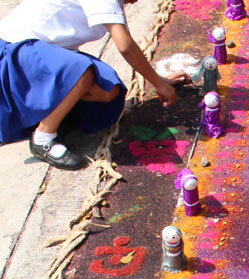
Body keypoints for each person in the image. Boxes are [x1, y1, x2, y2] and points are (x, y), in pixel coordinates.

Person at [0, 0, 188, 169]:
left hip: (35, 56)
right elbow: (124, 46)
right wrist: (158, 84)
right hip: (14, 55)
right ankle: (43, 138)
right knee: (80, 72)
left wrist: (158, 80)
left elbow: (127, 41)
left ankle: (53, 115)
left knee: (109, 89)